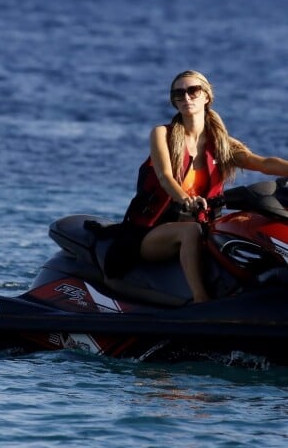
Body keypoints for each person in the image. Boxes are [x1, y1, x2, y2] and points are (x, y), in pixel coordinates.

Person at [108, 70, 288, 303]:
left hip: (203, 225)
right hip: (151, 231)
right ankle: (200, 300)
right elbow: (165, 177)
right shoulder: (163, 134)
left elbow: (263, 163)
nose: (186, 97)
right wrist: (185, 198)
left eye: (192, 90)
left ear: (206, 96)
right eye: (178, 93)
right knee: (190, 231)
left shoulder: (221, 143)